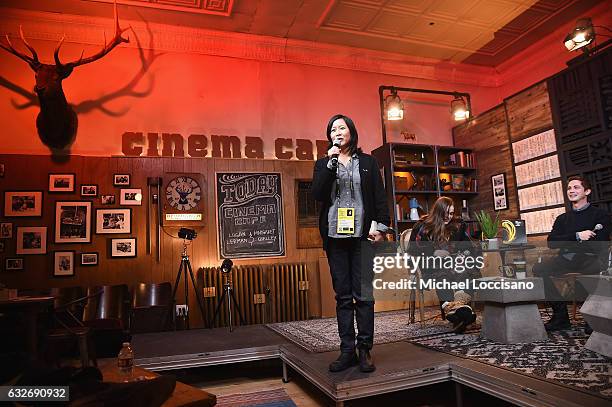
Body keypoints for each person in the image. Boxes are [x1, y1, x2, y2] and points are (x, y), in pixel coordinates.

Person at [312, 114, 390, 373]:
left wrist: (380, 228)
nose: (336, 131)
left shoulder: (368, 162)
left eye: (341, 127)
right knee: (343, 297)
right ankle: (347, 351)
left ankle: (364, 349)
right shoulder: (324, 163)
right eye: (332, 129)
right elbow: (317, 195)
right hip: (335, 238)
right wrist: (329, 163)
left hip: (362, 237)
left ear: (351, 132)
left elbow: (380, 198)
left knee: (364, 296)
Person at [533, 176, 610, 332]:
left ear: (587, 191)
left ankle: (592, 316)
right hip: (567, 258)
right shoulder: (562, 219)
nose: (571, 191)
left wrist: (569, 243)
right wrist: (577, 236)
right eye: (569, 188)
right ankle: (560, 316)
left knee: (592, 271)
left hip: (591, 258)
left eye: (576, 187)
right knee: (539, 269)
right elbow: (552, 242)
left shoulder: (600, 215)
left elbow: (601, 242)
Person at [408, 196, 481, 333]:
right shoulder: (422, 226)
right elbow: (411, 251)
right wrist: (434, 253)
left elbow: (469, 247)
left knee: (466, 271)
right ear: (438, 211)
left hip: (455, 266)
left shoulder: (458, 225)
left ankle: (456, 311)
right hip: (431, 267)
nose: (448, 216)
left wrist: (462, 254)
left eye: (451, 213)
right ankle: (461, 314)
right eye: (445, 213)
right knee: (443, 275)